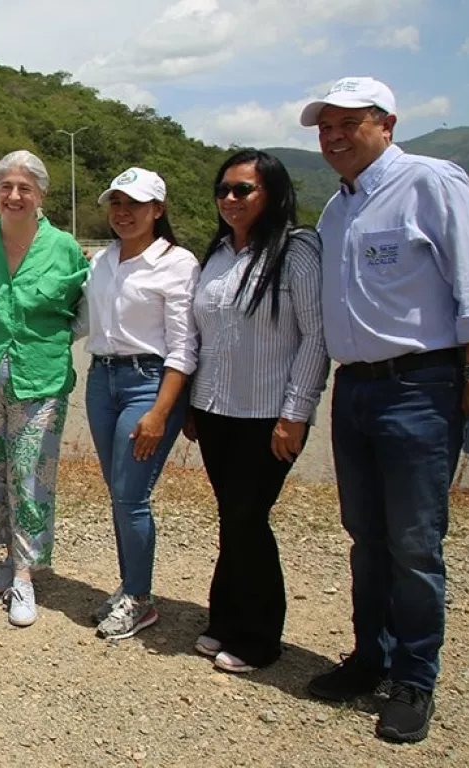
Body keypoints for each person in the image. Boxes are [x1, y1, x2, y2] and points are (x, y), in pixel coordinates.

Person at [299, 76, 469, 743]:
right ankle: (369, 658)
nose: (334, 137)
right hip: (358, 387)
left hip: (420, 385)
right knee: (366, 535)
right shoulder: (336, 211)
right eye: (325, 128)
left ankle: (414, 677)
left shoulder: (431, 183)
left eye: (348, 123)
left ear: (387, 122)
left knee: (413, 543)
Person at [186, 149, 327, 673]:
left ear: (272, 192)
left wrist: (296, 412)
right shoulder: (219, 253)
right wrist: (193, 406)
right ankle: (225, 618)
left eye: (242, 189)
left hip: (269, 414)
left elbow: (316, 336)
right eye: (223, 190)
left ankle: (261, 637)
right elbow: (207, 337)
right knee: (233, 517)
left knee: (248, 518)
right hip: (218, 410)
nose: (229, 199)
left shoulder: (297, 250)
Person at [0, 150, 88, 627]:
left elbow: (80, 311)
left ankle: (26, 575)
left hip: (41, 379)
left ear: (41, 196)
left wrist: (46, 343)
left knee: (30, 475)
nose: (14, 196)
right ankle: (8, 557)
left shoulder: (65, 247)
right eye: (6, 187)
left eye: (24, 188)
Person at [82, 167, 199, 640]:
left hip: (147, 383)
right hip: (101, 380)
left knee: (131, 496)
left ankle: (141, 597)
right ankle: (131, 586)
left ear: (158, 209)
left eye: (134, 204)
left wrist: (160, 411)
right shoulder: (103, 260)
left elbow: (183, 347)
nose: (123, 212)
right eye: (116, 203)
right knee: (120, 494)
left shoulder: (177, 264)